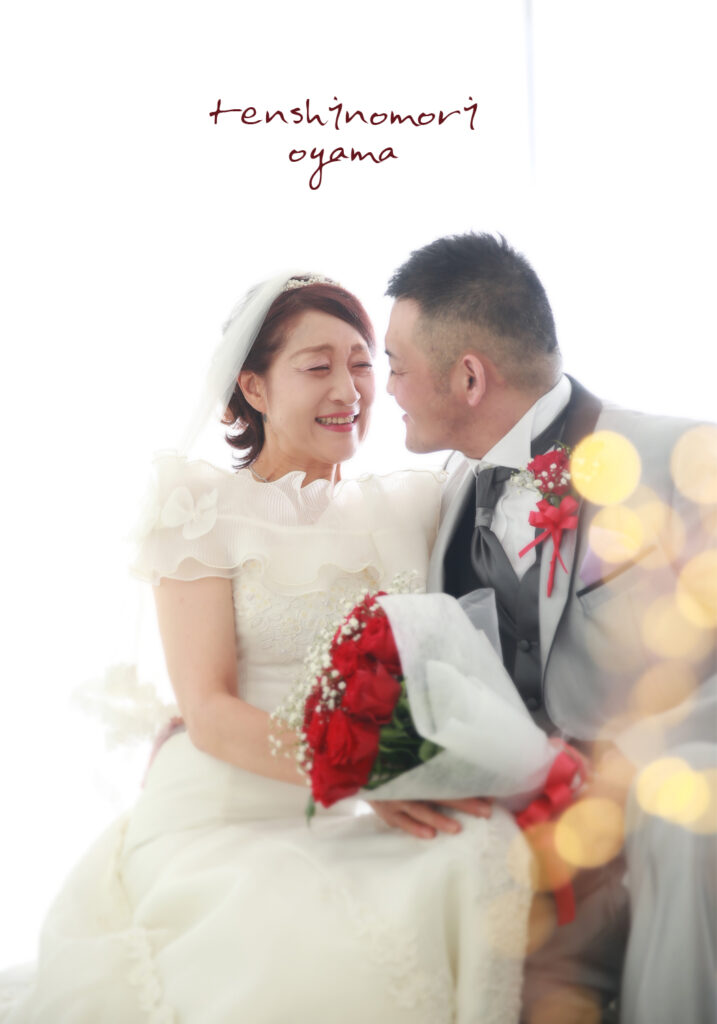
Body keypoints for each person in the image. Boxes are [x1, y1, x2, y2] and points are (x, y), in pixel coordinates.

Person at [0, 272, 533, 1024]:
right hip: (226, 813)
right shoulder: (200, 507)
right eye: (317, 367)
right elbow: (209, 711)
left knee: (483, 855)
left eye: (362, 363)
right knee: (301, 955)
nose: (348, 389)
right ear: (252, 386)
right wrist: (373, 779)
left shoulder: (413, 502)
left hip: (361, 813)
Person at [375, 232, 717, 1023]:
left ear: (468, 377)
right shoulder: (441, 502)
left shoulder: (682, 458)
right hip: (531, 850)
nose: (385, 388)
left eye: (394, 365)